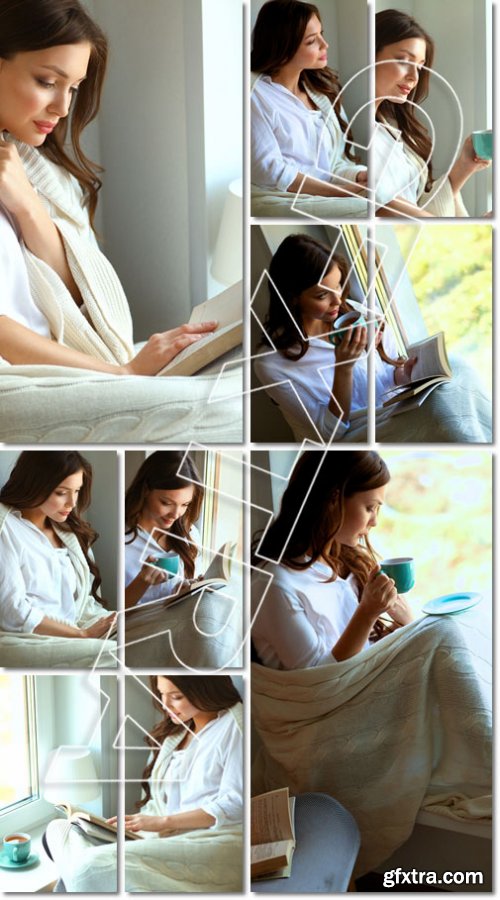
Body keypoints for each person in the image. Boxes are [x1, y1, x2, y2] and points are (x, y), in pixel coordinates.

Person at [0, 0, 240, 442]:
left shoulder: (33, 169)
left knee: (241, 370)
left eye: (73, 88)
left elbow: (78, 294)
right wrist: (122, 372)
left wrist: (29, 209)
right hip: (18, 381)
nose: (62, 107)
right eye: (47, 81)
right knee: (231, 407)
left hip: (65, 361)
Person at [43, 675, 243, 893]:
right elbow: (159, 801)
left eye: (176, 697)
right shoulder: (177, 731)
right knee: (58, 829)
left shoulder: (233, 728)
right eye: (162, 694)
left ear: (204, 690)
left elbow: (235, 802)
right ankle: (88, 876)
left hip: (206, 839)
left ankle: (85, 875)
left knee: (87, 868)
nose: (165, 705)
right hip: (159, 833)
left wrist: (163, 822)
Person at [251, 450, 413, 668]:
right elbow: (318, 680)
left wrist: (405, 623)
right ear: (333, 498)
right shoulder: (274, 584)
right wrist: (367, 613)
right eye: (369, 508)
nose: (374, 521)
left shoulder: (347, 560)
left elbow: (361, 650)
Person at [253, 233, 413, 441]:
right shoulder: (273, 364)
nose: (338, 300)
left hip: (393, 415)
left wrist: (407, 373)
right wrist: (344, 367)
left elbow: (387, 380)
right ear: (293, 298)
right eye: (322, 295)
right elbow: (328, 435)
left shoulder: (353, 313)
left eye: (338, 285)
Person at [251, 0, 368, 218]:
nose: (325, 45)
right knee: (374, 208)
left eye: (321, 34)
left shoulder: (322, 93)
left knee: (382, 193)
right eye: (312, 41)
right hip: (284, 199)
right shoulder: (257, 97)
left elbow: (334, 164)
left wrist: (358, 177)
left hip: (328, 194)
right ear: (284, 48)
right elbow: (269, 170)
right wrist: (341, 192)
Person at [374, 9, 490, 217]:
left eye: (419, 67)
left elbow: (417, 205)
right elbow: (383, 205)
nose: (413, 77)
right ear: (370, 54)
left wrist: (464, 164)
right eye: (403, 60)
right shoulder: (353, 131)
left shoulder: (391, 127)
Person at [0, 450, 115, 638]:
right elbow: (12, 611)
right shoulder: (7, 529)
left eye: (76, 491)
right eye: (61, 493)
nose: (71, 503)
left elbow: (82, 602)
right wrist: (82, 634)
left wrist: (113, 621)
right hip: (30, 637)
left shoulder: (68, 531)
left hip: (76, 628)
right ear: (34, 484)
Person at [124, 452, 204, 608]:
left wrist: (185, 591)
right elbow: (108, 613)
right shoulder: (121, 538)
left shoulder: (190, 535)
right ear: (146, 490)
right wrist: (141, 582)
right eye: (166, 503)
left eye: (185, 504)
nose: (175, 514)